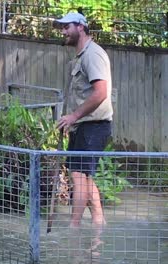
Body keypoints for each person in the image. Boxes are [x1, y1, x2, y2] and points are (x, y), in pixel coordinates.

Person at [55, 12, 113, 233]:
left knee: (79, 176)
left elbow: (100, 93)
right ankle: (99, 222)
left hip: (94, 125)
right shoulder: (81, 56)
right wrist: (75, 121)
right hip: (85, 125)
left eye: (66, 27)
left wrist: (73, 116)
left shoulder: (92, 55)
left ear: (80, 27)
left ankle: (74, 229)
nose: (63, 31)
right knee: (84, 176)